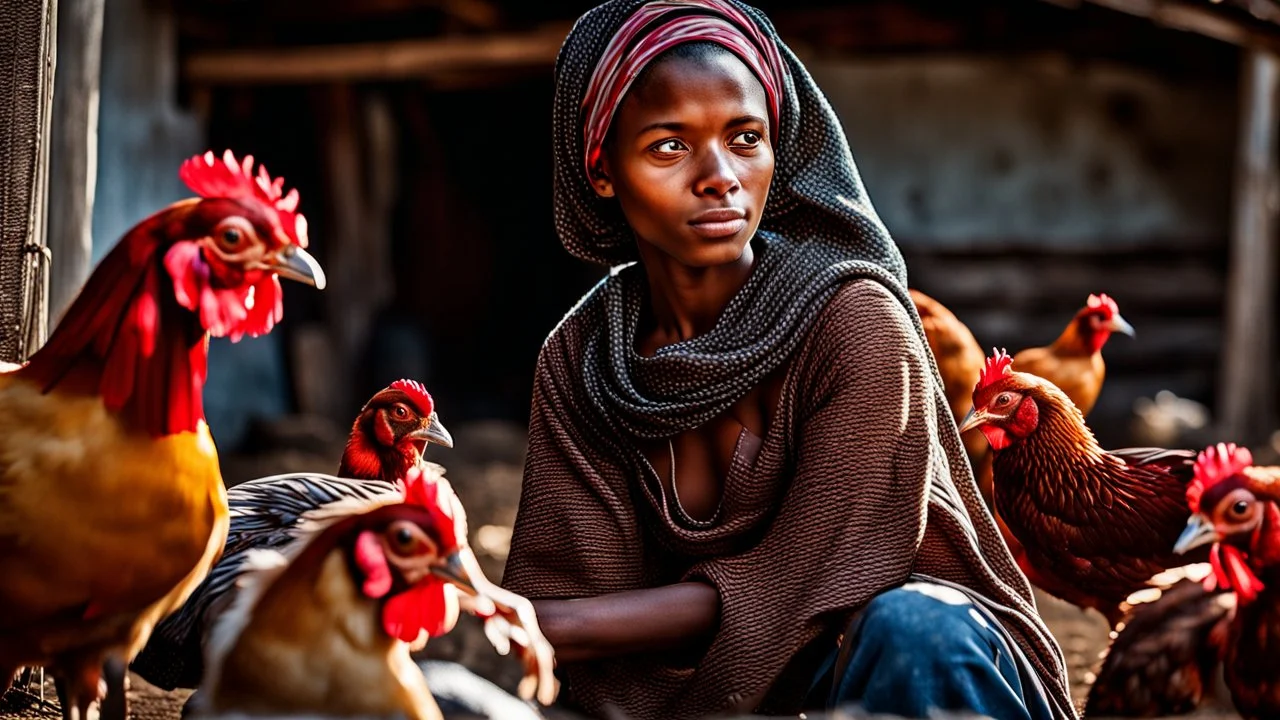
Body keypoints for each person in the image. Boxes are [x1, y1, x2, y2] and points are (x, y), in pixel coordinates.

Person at [503, 1, 1076, 718]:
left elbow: (810, 575)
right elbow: (567, 597)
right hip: (728, 699)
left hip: (909, 682)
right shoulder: (586, 359)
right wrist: (529, 622)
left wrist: (544, 623)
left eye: (746, 137)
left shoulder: (856, 325)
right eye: (669, 147)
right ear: (602, 170)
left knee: (913, 626)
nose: (720, 176)